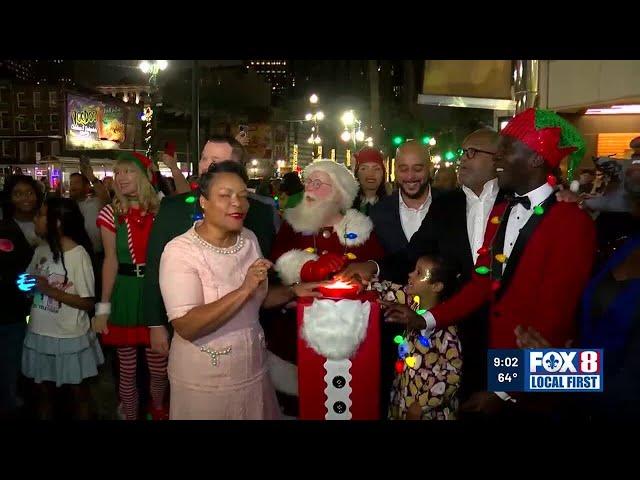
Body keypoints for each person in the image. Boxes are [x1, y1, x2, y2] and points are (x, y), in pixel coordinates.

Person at [384, 108, 597, 418]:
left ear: (536, 159)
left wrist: (504, 391)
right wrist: (427, 319)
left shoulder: (572, 221)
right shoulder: (503, 213)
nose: (499, 156)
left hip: (537, 384)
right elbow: (483, 281)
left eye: (507, 149)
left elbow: (553, 318)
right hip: (497, 365)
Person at [340, 128, 502, 411]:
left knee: (504, 401)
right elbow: (411, 254)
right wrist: (373, 266)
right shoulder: (447, 205)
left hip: (505, 330)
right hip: (448, 325)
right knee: (460, 403)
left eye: (471, 153)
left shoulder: (516, 202)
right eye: (462, 153)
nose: (462, 160)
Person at [159, 161, 321, 419]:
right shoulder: (180, 251)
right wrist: (243, 289)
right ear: (203, 201)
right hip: (206, 380)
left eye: (243, 196)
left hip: (252, 368)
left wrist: (292, 291)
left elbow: (259, 297)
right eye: (225, 196)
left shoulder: (248, 239)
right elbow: (187, 325)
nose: (237, 203)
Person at [519, 161, 640, 421]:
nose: (633, 164)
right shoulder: (628, 246)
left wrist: (547, 367)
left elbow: (627, 385)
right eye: (636, 156)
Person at [266, 159, 385, 416]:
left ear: (339, 192)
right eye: (309, 182)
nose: (309, 189)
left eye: (319, 184)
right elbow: (275, 268)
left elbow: (379, 267)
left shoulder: (360, 228)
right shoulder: (293, 224)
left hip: (352, 338)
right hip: (293, 338)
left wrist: (369, 267)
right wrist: (305, 268)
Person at [143, 135, 277, 359]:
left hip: (248, 332)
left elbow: (265, 271)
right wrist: (155, 324)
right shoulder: (173, 208)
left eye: (215, 160)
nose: (206, 165)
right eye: (204, 158)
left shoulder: (259, 213)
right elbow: (154, 267)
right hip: (192, 330)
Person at [93, 152, 169, 421]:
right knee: (126, 368)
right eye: (118, 173)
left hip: (154, 292)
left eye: (128, 171)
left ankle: (158, 407)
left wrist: (171, 166)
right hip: (124, 291)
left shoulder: (162, 211)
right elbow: (110, 261)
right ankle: (129, 412)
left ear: (146, 176)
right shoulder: (110, 213)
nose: (121, 178)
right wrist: (102, 308)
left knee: (159, 366)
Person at [21, 198, 103, 419]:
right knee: (42, 393)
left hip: (69, 336)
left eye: (40, 215)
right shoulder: (41, 250)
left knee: (78, 393)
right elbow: (29, 280)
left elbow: (87, 302)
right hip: (39, 331)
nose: (35, 220)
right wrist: (26, 284)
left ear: (56, 222)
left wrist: (51, 291)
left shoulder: (78, 255)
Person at [381, 255, 461, 420]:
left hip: (429, 414)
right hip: (403, 398)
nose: (410, 274)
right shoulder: (412, 304)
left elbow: (452, 376)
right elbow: (388, 290)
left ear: (436, 286)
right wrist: (363, 282)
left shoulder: (447, 330)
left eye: (419, 273)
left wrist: (421, 406)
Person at [369, 141, 436, 258]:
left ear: (430, 169)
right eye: (404, 169)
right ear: (395, 170)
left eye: (417, 169)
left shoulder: (451, 206)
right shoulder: (378, 213)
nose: (410, 176)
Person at [0, 208, 34, 419]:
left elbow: (25, 274)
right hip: (12, 312)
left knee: (11, 363)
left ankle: (11, 401)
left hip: (11, 313)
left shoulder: (9, 231)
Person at [2, 175, 44, 248]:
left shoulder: (46, 222)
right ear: (10, 198)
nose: (25, 198)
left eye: (30, 193)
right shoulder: (4, 228)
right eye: (18, 194)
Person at [352, 147, 387, 216]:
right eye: (364, 168)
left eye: (376, 169)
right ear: (357, 173)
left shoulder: (393, 206)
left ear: (383, 173)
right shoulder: (346, 206)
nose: (370, 173)